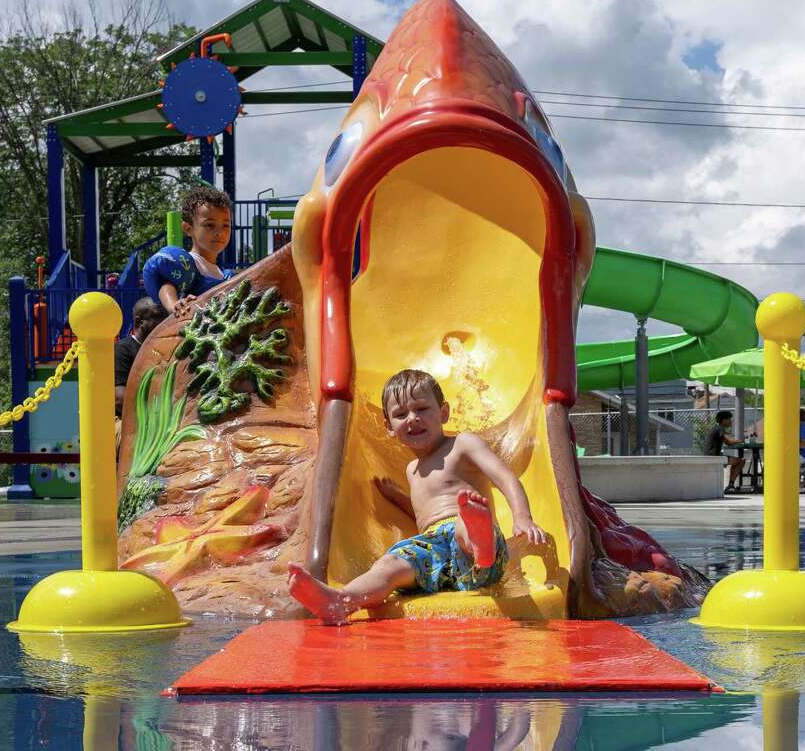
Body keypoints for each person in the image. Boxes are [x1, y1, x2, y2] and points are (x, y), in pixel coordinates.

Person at [287, 369, 548, 624]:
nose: (412, 418)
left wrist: (522, 517)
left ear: (443, 413)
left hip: (474, 542)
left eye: (422, 409)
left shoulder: (462, 445)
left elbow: (505, 476)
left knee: (464, 521)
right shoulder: (411, 470)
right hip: (433, 551)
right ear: (389, 426)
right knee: (388, 563)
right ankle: (342, 601)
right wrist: (398, 497)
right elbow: (423, 518)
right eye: (401, 414)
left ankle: (481, 551)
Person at [142, 186, 234, 317]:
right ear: (188, 228)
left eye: (225, 225)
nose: (219, 233)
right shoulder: (186, 264)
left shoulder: (225, 275)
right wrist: (173, 304)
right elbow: (167, 285)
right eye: (209, 225)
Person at [115, 297, 168, 416]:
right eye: (158, 317)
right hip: (127, 422)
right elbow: (119, 399)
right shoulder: (122, 350)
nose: (165, 323)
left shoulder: (165, 350)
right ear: (139, 322)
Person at [705, 410, 745, 488]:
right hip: (714, 456)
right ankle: (731, 484)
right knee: (741, 461)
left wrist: (736, 441)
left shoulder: (717, 428)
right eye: (729, 419)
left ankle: (731, 485)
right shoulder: (720, 428)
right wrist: (741, 440)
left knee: (737, 461)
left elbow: (728, 442)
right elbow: (730, 441)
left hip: (712, 455)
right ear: (724, 420)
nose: (731, 421)